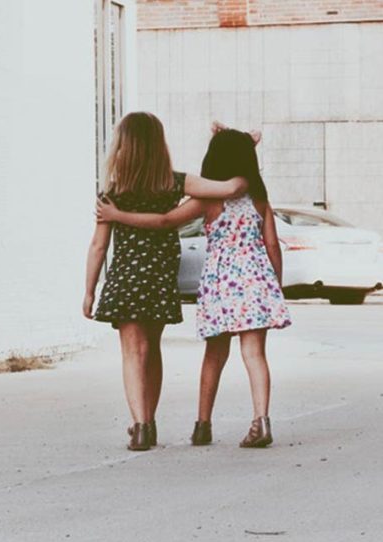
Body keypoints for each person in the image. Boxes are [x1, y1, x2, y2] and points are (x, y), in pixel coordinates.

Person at [96, 126, 291, 448]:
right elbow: (272, 245)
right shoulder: (259, 201)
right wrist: (276, 286)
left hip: (221, 285)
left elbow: (164, 221)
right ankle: (261, 421)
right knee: (255, 354)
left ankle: (203, 425)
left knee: (214, 355)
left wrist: (118, 215)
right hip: (256, 283)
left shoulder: (206, 202)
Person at [83, 112, 247, 451]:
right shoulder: (174, 182)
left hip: (126, 278)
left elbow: (99, 245)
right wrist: (244, 149)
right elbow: (230, 187)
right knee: (152, 349)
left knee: (132, 353)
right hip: (158, 278)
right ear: (159, 145)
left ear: (123, 145)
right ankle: (150, 422)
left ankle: (141, 425)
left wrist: (89, 290)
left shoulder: (112, 192)